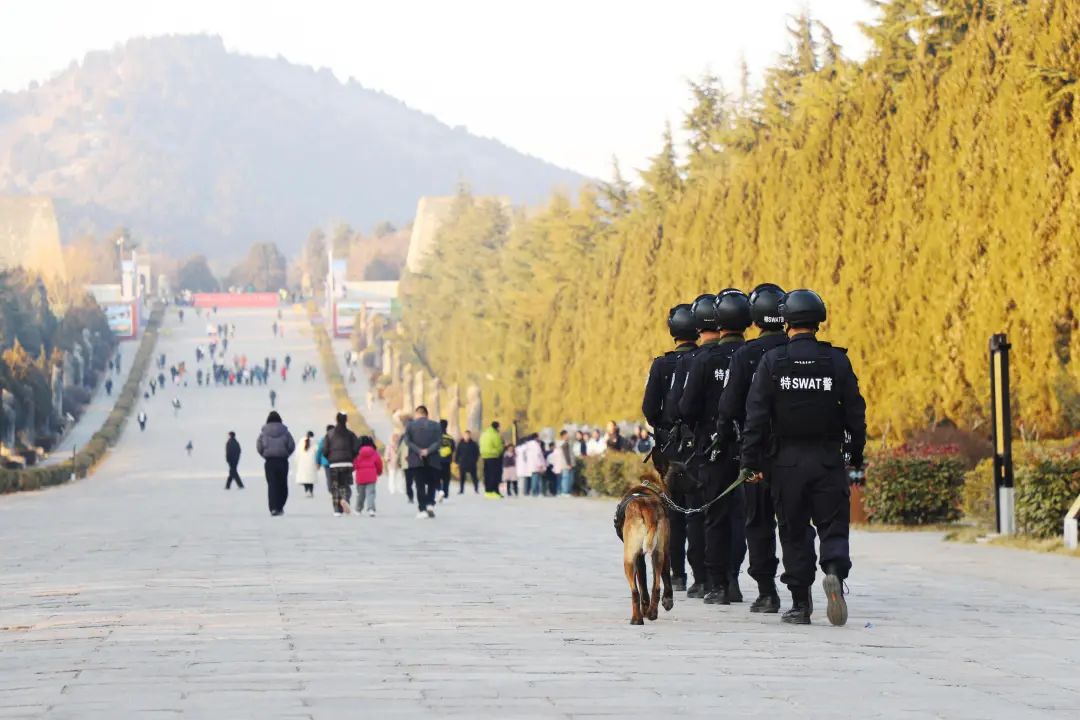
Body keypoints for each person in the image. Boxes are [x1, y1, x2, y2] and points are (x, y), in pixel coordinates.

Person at [740, 289, 866, 626]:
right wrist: (855, 452)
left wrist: (750, 462)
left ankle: (800, 603)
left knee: (794, 532)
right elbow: (855, 411)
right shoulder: (836, 361)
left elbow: (756, 417)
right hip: (827, 459)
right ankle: (834, 570)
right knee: (833, 525)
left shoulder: (773, 362)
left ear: (786, 320)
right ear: (818, 319)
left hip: (787, 463)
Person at [716, 283, 788, 613]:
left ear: (754, 318)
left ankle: (767, 591)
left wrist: (726, 442)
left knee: (758, 523)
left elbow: (729, 406)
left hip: (757, 453)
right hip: (794, 453)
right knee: (794, 523)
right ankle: (801, 591)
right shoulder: (796, 350)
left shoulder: (745, 355)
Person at [678, 289, 751, 606]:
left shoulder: (704, 360)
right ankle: (734, 577)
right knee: (742, 516)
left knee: (714, 516)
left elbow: (686, 407)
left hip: (712, 448)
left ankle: (716, 582)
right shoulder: (755, 356)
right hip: (750, 447)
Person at [641, 302, 700, 592]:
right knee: (700, 510)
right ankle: (706, 575)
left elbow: (649, 409)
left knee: (672, 513)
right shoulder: (702, 359)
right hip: (700, 447)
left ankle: (677, 573)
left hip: (670, 449)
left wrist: (663, 429)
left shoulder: (662, 365)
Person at [403, 405, 442, 518]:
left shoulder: (410, 425)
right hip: (433, 458)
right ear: (426, 414)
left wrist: (419, 451)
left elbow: (407, 441)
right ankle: (430, 503)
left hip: (416, 459)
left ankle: (422, 509)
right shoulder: (436, 425)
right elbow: (439, 442)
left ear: (417, 414)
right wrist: (427, 451)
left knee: (419, 484)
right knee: (432, 483)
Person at [256, 410, 296, 516]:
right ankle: (280, 506)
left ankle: (273, 508)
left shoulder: (263, 433)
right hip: (283, 461)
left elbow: (259, 446)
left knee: (272, 485)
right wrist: (286, 454)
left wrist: (265, 455)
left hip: (270, 462)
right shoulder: (285, 432)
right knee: (283, 484)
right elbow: (292, 445)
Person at [326, 412, 359, 516]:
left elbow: (325, 450)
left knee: (335, 486)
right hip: (347, 463)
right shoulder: (351, 434)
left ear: (336, 420)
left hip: (334, 464)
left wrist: (330, 458)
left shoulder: (330, 434)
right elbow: (356, 448)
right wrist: (351, 458)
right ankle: (345, 499)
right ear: (346, 420)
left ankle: (337, 510)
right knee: (345, 484)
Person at [353, 436, 383, 516]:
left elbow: (354, 464)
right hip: (371, 476)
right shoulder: (374, 452)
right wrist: (379, 472)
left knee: (360, 494)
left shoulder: (357, 453)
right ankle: (371, 509)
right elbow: (379, 463)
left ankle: (358, 510)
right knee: (371, 493)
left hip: (360, 477)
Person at [479, 421, 505, 498]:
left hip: (485, 456)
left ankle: (487, 491)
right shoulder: (495, 435)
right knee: (494, 475)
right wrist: (502, 448)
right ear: (497, 427)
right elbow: (499, 446)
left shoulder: (484, 434)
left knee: (487, 474)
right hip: (493, 456)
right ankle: (493, 491)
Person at [293, 431, 318, 498]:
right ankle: (311, 491)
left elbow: (297, 453)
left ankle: (307, 491)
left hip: (302, 463)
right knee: (311, 478)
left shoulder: (301, 442)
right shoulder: (314, 443)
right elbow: (317, 452)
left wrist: (296, 462)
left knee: (305, 478)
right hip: (311, 463)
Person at [455, 429, 480, 494]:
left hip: (472, 464)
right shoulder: (460, 444)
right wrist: (456, 461)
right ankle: (461, 490)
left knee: (474, 477)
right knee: (462, 478)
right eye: (466, 435)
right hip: (462, 463)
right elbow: (457, 453)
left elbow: (477, 453)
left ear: (470, 436)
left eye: (468, 435)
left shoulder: (474, 444)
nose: (467, 436)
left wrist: (474, 460)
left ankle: (476, 489)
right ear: (464, 436)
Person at [437, 419, 455, 502]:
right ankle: (446, 493)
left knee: (437, 478)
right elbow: (453, 449)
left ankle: (440, 491)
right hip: (447, 461)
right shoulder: (450, 438)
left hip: (437, 461)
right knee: (446, 478)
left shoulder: (435, 437)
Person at [550, 430, 574, 496]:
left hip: (559, 464)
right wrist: (569, 464)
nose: (568, 436)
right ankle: (565, 492)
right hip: (565, 463)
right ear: (563, 436)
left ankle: (559, 492)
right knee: (565, 478)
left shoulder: (558, 444)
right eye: (567, 435)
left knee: (560, 478)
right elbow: (567, 455)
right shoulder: (565, 444)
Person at [315, 424, 333, 493]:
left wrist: (318, 462)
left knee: (329, 478)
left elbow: (319, 451)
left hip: (326, 462)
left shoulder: (323, 439)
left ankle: (331, 491)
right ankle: (335, 490)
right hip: (335, 461)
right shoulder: (338, 439)